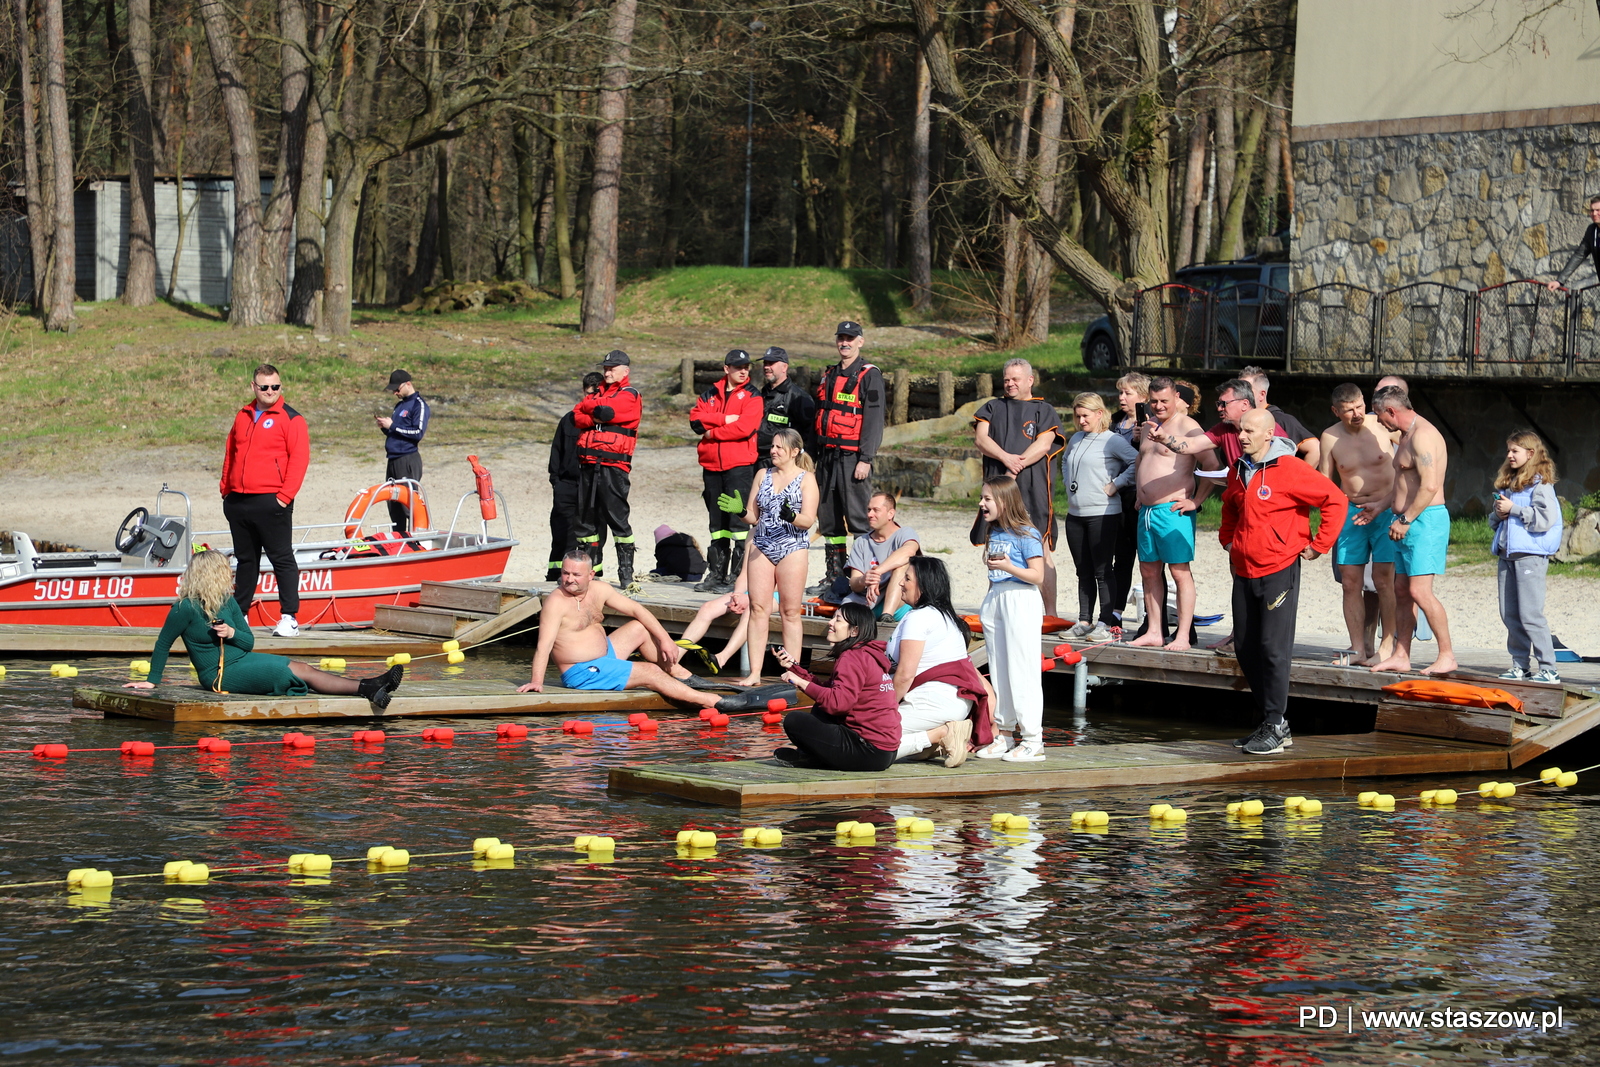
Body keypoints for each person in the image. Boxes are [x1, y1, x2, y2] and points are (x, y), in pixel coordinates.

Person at [1221, 408, 1347, 755]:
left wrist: (1319, 545)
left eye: (1248, 431)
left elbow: (1335, 500)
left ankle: (1277, 724)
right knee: (1245, 648)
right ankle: (1270, 722)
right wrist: (1227, 539)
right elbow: (1230, 506)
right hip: (1243, 568)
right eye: (1239, 430)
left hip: (1279, 567)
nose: (1241, 436)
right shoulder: (1239, 469)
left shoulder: (1290, 468)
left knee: (1272, 648)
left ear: (1268, 434)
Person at [123, 550, 403, 704]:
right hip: (217, 674)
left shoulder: (227, 601)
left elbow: (248, 643)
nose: (230, 575)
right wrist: (152, 680)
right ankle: (367, 688)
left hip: (243, 660)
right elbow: (163, 644)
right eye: (224, 571)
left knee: (301, 668)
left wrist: (232, 633)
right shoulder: (184, 608)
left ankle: (372, 686)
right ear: (211, 575)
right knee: (292, 672)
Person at [518, 550, 721, 707]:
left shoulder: (600, 589)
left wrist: (665, 640)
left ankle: (682, 675)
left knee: (638, 627)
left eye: (576, 575)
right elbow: (544, 646)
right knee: (650, 671)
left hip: (606, 655)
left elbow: (637, 609)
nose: (569, 579)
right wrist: (537, 681)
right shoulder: (556, 602)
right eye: (565, 573)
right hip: (581, 672)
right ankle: (708, 700)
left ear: (591, 575)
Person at [1366, 385, 1457, 675]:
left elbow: (1430, 486)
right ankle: (1401, 654)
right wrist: (1382, 506)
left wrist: (1405, 521)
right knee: (1402, 590)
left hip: (1424, 521)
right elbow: (1403, 483)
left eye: (1380, 415)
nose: (1379, 421)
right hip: (1404, 521)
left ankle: (1447, 655)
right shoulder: (1405, 436)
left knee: (1419, 590)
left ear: (1391, 411)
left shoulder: (1423, 437)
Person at [221, 363, 310, 637]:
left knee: (281, 557)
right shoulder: (243, 415)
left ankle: (289, 618)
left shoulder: (291, 419)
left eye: (276, 386)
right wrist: (226, 488)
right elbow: (230, 452)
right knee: (246, 559)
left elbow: (299, 459)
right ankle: (241, 614)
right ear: (254, 387)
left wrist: (284, 497)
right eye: (265, 387)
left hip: (272, 501)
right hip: (239, 499)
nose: (271, 391)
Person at [972, 358, 1064, 616]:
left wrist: (1016, 465)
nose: (1010, 384)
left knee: (1041, 550)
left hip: (1033, 490)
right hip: (997, 492)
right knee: (997, 547)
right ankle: (995, 608)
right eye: (1006, 379)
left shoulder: (1044, 410)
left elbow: (1044, 444)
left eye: (1015, 379)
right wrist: (1005, 458)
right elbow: (981, 438)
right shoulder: (992, 407)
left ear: (1030, 381)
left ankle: (1051, 614)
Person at [731, 428, 820, 685]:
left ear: (794, 451)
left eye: (780, 447)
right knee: (758, 609)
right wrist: (740, 512)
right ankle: (755, 673)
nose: (773, 451)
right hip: (762, 545)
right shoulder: (763, 474)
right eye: (772, 446)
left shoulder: (806, 479)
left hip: (792, 547)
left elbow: (808, 520)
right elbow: (753, 516)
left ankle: (793, 673)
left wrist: (792, 516)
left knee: (790, 611)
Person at [1133, 377, 1216, 650]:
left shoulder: (1188, 427)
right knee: (1148, 571)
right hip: (1146, 511)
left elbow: (1212, 466)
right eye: (1153, 401)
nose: (1158, 406)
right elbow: (1143, 459)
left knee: (1179, 572)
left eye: (1164, 401)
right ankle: (1155, 631)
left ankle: (1182, 636)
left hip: (1173, 509)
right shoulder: (1148, 427)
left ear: (1175, 397)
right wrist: (1139, 493)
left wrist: (1196, 501)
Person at [888, 555, 994, 768]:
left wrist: (884, 709)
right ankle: (931, 740)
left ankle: (940, 734)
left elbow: (905, 674)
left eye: (907, 579)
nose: (901, 583)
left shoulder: (920, 618)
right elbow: (974, 676)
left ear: (924, 585)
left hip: (930, 704)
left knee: (866, 744)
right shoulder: (947, 618)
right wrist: (992, 723)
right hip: (951, 705)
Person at [1318, 383, 1397, 665]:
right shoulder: (1329, 437)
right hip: (1352, 512)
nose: (1357, 413)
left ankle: (1387, 646)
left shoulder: (1382, 425)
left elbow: (1414, 446)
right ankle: (1357, 649)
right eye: (1349, 409)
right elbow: (1325, 482)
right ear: (1336, 411)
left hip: (1385, 508)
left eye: (1360, 406)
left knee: (1384, 581)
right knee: (1350, 582)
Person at [973, 476, 1048, 762]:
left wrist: (1008, 566)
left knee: (1022, 668)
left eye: (987, 499)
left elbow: (1037, 576)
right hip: (997, 597)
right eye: (982, 498)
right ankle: (1004, 734)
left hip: (1021, 597)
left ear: (1004, 501)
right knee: (999, 667)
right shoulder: (993, 531)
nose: (982, 504)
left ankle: (1033, 739)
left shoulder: (1027, 533)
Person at [773, 602, 899, 771]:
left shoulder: (852, 657)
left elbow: (839, 704)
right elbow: (830, 691)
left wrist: (800, 682)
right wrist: (794, 667)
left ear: (854, 631)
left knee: (794, 720)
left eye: (838, 620)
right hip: (886, 752)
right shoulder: (866, 654)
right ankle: (810, 756)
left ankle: (809, 757)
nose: (830, 623)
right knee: (821, 705)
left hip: (868, 751)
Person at [811, 321, 886, 594]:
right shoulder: (829, 374)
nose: (845, 342)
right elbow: (819, 415)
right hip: (827, 457)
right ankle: (834, 577)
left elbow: (874, 421)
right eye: (841, 338)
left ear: (860, 342)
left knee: (859, 518)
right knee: (828, 518)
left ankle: (861, 575)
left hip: (853, 457)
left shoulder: (869, 375)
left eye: (850, 338)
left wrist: (866, 458)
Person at [1061, 392, 1139, 641]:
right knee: (1082, 570)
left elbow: (1137, 462)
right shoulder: (1075, 438)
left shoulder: (1112, 441)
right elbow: (1065, 460)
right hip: (1075, 514)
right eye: (1077, 415)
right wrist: (1067, 482)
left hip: (1103, 513)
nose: (1081, 420)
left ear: (1099, 414)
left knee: (1103, 570)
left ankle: (1105, 623)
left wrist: (1117, 484)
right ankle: (1084, 620)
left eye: (1085, 415)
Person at [1490, 431, 1563, 684]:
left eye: (1515, 451)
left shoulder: (1542, 485)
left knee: (1531, 614)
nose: (1509, 455)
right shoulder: (1510, 484)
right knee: (1509, 614)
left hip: (1530, 558)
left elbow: (1545, 520)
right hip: (1506, 556)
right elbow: (1496, 521)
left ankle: (1549, 668)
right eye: (1508, 450)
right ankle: (1520, 664)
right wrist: (1499, 514)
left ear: (1530, 454)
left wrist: (1515, 509)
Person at [689, 349, 764, 594]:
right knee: (717, 523)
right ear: (726, 369)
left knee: (739, 522)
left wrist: (712, 431)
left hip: (739, 467)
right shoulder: (709, 394)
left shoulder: (753, 395)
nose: (743, 371)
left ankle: (737, 577)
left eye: (746, 367)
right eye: (738, 367)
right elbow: (695, 422)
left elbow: (744, 428)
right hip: (711, 466)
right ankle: (717, 573)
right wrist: (724, 418)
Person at [573, 350, 642, 585]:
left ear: (625, 371)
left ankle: (626, 575)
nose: (607, 372)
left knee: (617, 518)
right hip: (588, 464)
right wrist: (596, 413)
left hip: (614, 465)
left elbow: (608, 411)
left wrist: (592, 409)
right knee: (586, 521)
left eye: (612, 368)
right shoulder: (598, 393)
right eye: (605, 368)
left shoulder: (629, 395)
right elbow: (577, 415)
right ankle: (589, 574)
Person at [546, 372, 605, 582]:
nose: (590, 399)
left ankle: (593, 577)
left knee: (594, 535)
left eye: (595, 395)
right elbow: (556, 453)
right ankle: (555, 575)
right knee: (562, 534)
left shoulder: (605, 422)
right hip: (567, 486)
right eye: (587, 395)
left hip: (593, 486)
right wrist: (557, 483)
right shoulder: (569, 420)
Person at [840, 491, 921, 619]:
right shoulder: (861, 542)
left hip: (899, 603)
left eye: (875, 510)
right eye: (868, 510)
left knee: (903, 565)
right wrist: (864, 579)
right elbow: (854, 585)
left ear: (890, 514)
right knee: (840, 620)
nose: (869, 514)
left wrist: (877, 572)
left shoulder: (904, 533)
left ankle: (886, 616)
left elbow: (909, 551)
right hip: (865, 601)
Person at [1109, 372, 1150, 625]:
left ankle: (1150, 616)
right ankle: (1115, 612)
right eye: (1120, 392)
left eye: (1128, 393)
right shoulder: (1114, 421)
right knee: (1121, 558)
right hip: (1116, 497)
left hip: (1140, 495)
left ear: (1143, 397)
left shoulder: (1151, 423)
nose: (1122, 398)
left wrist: (1140, 440)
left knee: (1148, 559)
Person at [374, 369, 430, 537]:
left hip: (407, 460)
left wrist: (392, 426)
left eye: (397, 389)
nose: (395, 393)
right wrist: (385, 428)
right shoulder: (399, 406)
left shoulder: (418, 405)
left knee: (408, 505)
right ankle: (398, 541)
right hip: (392, 460)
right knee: (394, 505)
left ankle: (416, 542)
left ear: (408, 384)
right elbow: (398, 432)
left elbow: (417, 433)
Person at [1240, 365, 1320, 468]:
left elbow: (1315, 450)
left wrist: (1295, 480)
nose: (1240, 395)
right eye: (1238, 390)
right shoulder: (1239, 420)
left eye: (1246, 391)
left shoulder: (1281, 419)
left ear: (1262, 394)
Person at [756, 347, 816, 466]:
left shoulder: (798, 398)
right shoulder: (761, 394)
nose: (766, 367)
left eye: (771, 363)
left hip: (783, 463)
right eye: (765, 363)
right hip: (758, 460)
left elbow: (809, 434)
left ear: (784, 367)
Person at [1544, 195, 1600, 291]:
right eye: (1592, 210)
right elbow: (1579, 255)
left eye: (1598, 210)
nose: (1594, 213)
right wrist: (1559, 281)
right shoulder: (1592, 230)